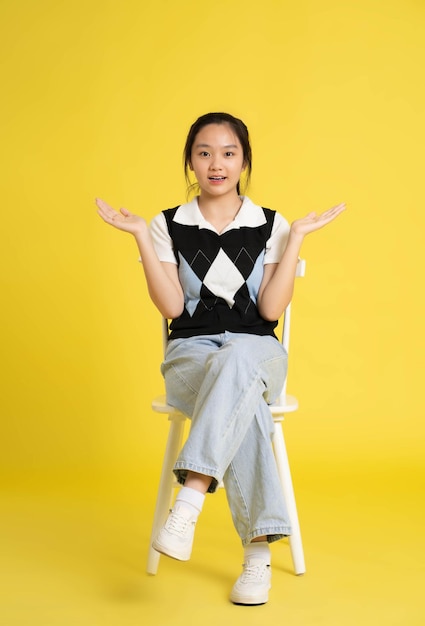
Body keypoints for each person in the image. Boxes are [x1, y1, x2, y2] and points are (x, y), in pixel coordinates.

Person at [96, 112, 345, 606]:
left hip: (258, 353)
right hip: (191, 357)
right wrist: (142, 237)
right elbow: (171, 308)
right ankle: (257, 560)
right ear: (190, 160)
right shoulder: (168, 225)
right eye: (204, 152)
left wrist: (295, 239)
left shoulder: (270, 224)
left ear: (244, 161)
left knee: (238, 359)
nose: (216, 164)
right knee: (240, 397)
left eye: (228, 153)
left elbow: (271, 310)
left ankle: (189, 498)